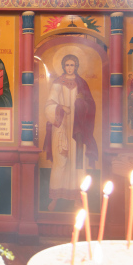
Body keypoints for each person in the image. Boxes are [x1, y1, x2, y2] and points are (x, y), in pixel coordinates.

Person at [43, 54, 97, 211]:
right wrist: (60, 108)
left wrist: (82, 103)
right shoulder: (58, 83)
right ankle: (54, 198)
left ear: (76, 66)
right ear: (63, 66)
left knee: (78, 163)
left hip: (78, 130)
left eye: (72, 65)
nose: (69, 68)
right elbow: (49, 105)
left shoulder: (82, 83)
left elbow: (91, 105)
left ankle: (78, 198)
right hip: (61, 128)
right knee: (60, 162)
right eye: (67, 65)